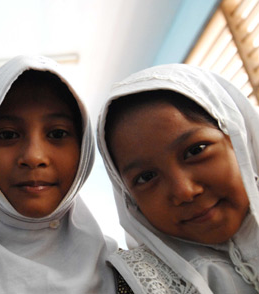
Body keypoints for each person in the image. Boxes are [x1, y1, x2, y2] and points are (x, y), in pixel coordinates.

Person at [0, 55, 123, 293]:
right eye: (7, 135)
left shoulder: (126, 276)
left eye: (57, 134)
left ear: (83, 146)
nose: (34, 157)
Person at [97, 64, 259, 293]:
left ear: (239, 140)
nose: (184, 191)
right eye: (146, 177)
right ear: (131, 202)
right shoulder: (141, 284)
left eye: (195, 150)